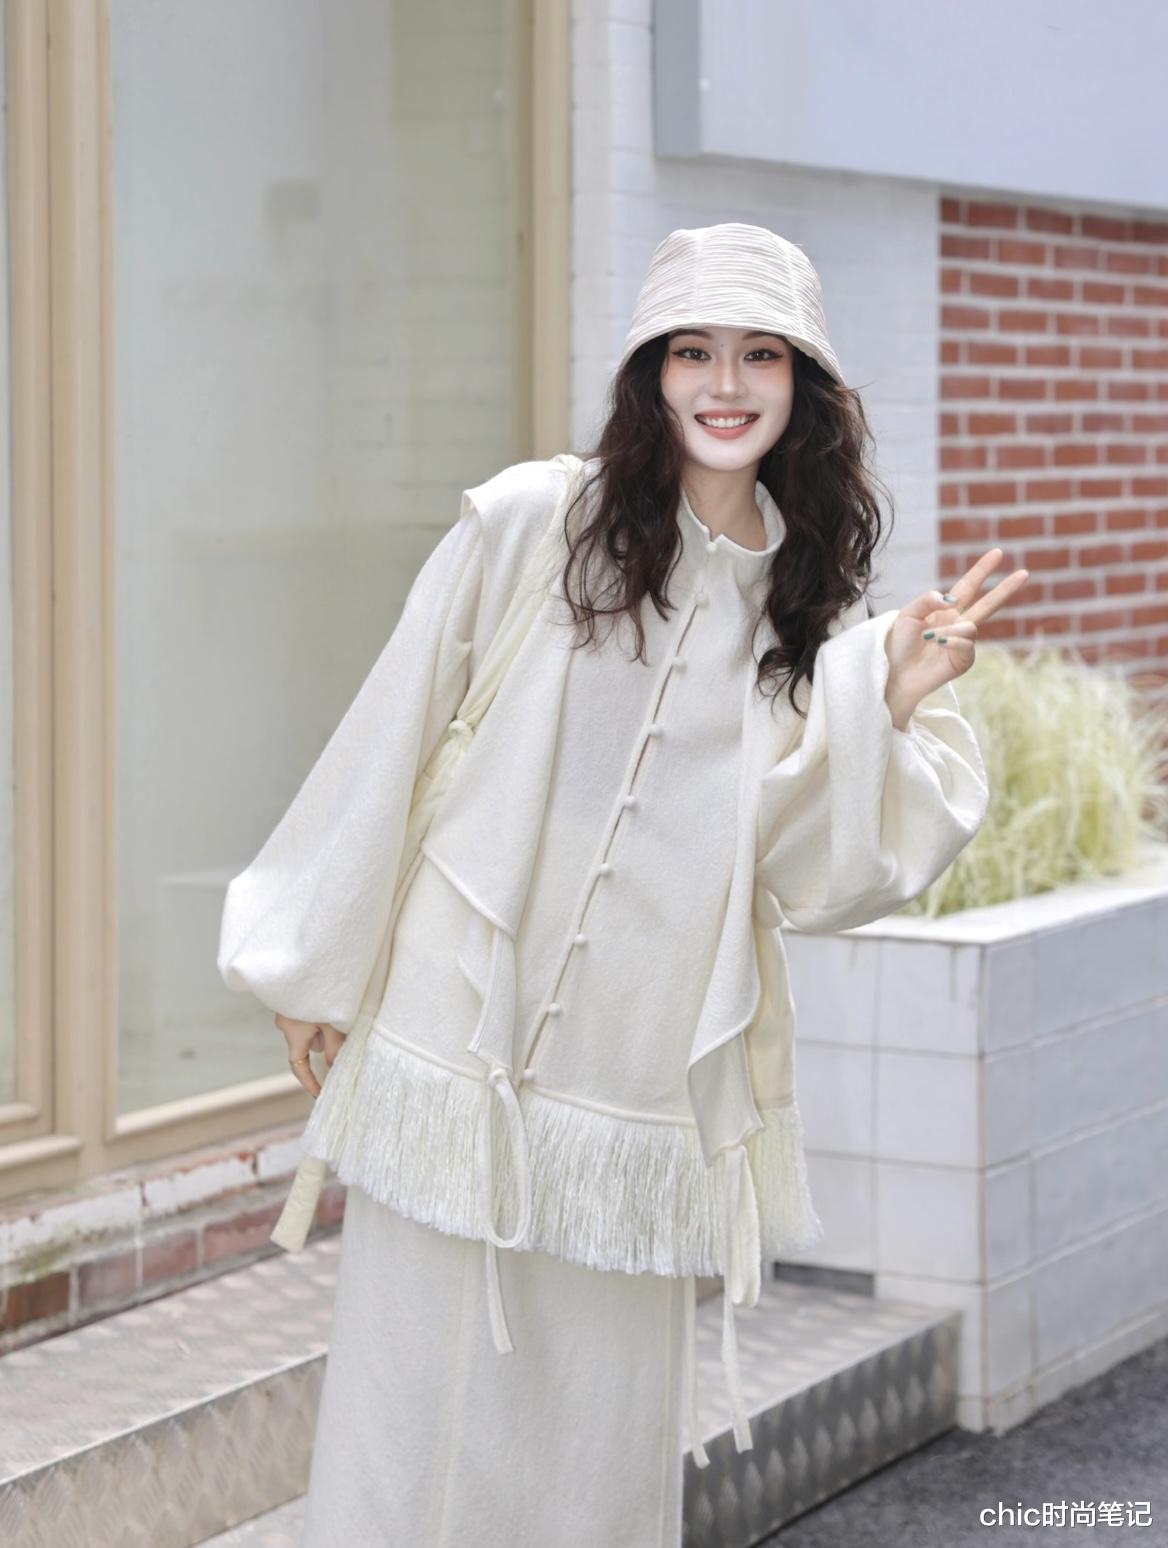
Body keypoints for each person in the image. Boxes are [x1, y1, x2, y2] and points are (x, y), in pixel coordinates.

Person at [217, 222, 1029, 1547]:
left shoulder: (809, 609)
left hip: (635, 1083)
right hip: (453, 1046)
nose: (727, 383)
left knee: (592, 1447)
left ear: (805, 384)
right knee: (406, 1418)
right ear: (652, 373)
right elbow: (394, 725)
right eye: (693, 351)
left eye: (761, 354)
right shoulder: (535, 522)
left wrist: (883, 702)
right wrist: (313, 962)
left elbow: (794, 873)